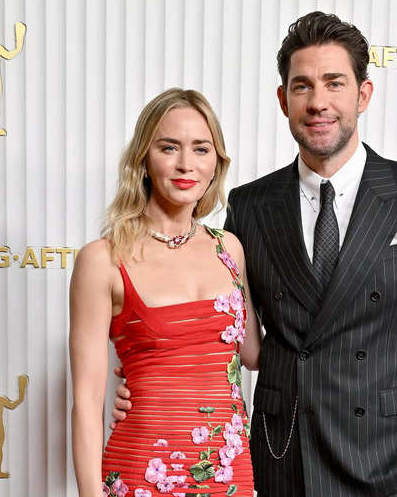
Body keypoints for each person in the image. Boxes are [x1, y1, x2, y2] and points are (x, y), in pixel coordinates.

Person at [113, 12, 397, 497]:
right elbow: (222, 325)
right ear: (284, 100)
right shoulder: (249, 205)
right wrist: (151, 386)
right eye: (303, 86)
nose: (318, 102)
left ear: (363, 94)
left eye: (334, 83)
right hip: (286, 459)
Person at [69, 88, 260, 497]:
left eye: (201, 149)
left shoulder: (229, 249)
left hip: (230, 475)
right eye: (169, 147)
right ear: (143, 159)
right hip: (142, 468)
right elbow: (86, 402)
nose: (186, 164)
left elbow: (253, 354)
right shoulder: (102, 259)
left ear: (216, 164)